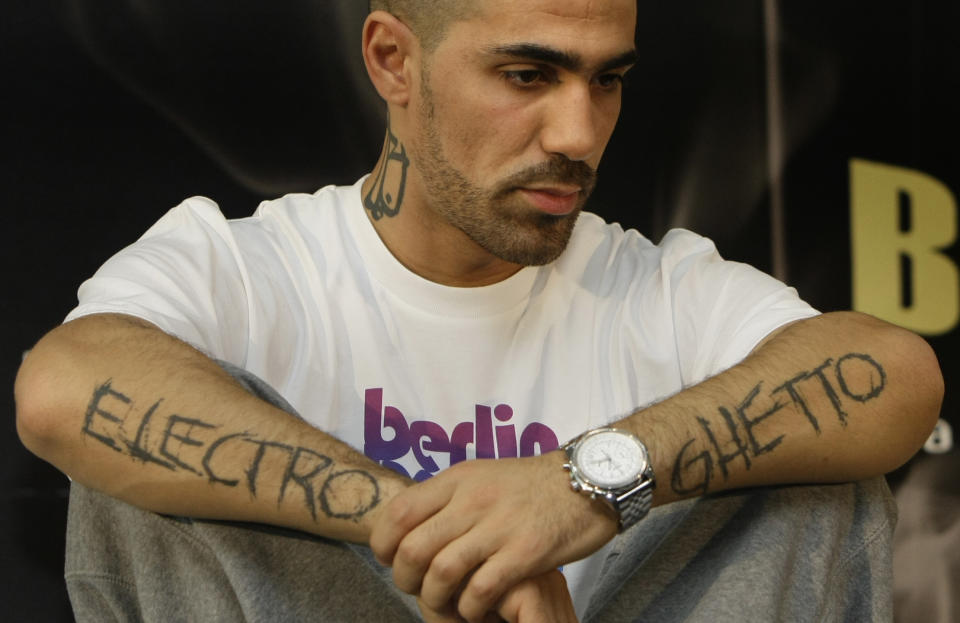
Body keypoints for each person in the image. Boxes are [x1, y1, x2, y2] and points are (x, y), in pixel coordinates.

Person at [15, 0, 943, 621]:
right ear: (393, 60)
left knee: (818, 458)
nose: (579, 133)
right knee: (145, 445)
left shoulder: (656, 286)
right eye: (529, 76)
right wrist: (430, 531)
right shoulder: (249, 266)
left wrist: (580, 485)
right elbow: (64, 389)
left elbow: (895, 378)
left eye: (606, 79)